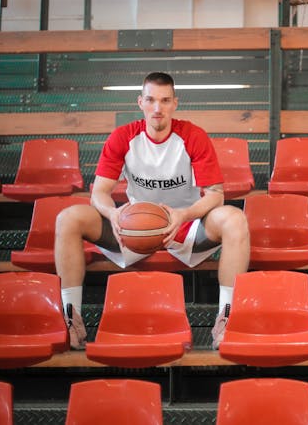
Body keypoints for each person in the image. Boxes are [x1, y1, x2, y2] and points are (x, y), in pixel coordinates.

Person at [54, 72, 250, 350]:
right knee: (68, 218)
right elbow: (98, 193)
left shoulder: (192, 136)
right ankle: (70, 319)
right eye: (151, 100)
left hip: (184, 225)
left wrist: (183, 215)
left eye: (165, 100)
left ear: (175, 104)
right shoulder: (123, 137)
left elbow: (216, 195)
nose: (157, 108)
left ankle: (227, 318)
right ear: (140, 102)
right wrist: (114, 215)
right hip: (135, 229)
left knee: (235, 218)